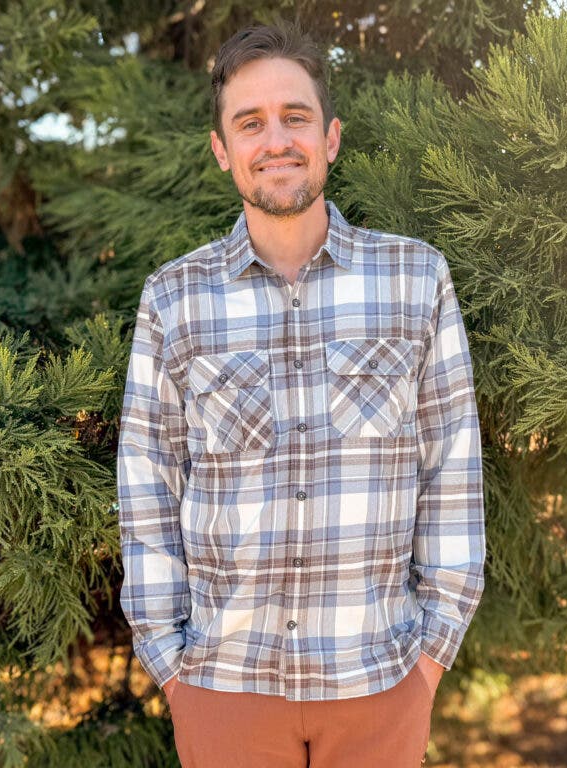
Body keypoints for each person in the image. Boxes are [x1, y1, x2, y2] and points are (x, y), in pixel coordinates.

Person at [117, 23, 485, 768]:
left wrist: (429, 661)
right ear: (223, 150)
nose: (275, 139)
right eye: (249, 123)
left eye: (296, 117)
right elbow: (147, 487)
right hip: (224, 688)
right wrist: (172, 667)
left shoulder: (415, 281)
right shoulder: (175, 298)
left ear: (332, 137)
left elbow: (452, 470)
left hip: (380, 683)